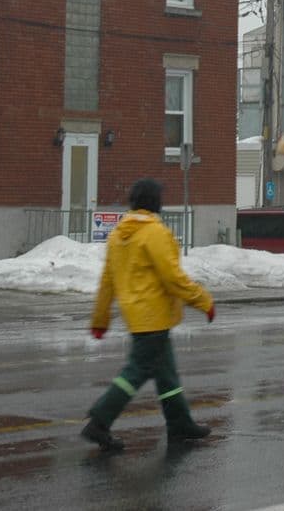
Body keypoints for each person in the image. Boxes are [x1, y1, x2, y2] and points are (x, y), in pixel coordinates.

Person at [81, 178, 216, 452]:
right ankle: (100, 421)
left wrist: (100, 320)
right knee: (137, 371)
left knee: (166, 375)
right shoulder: (155, 233)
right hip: (155, 316)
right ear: (156, 202)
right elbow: (172, 278)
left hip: (137, 316)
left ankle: (180, 423)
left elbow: (107, 281)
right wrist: (203, 300)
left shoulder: (118, 235)